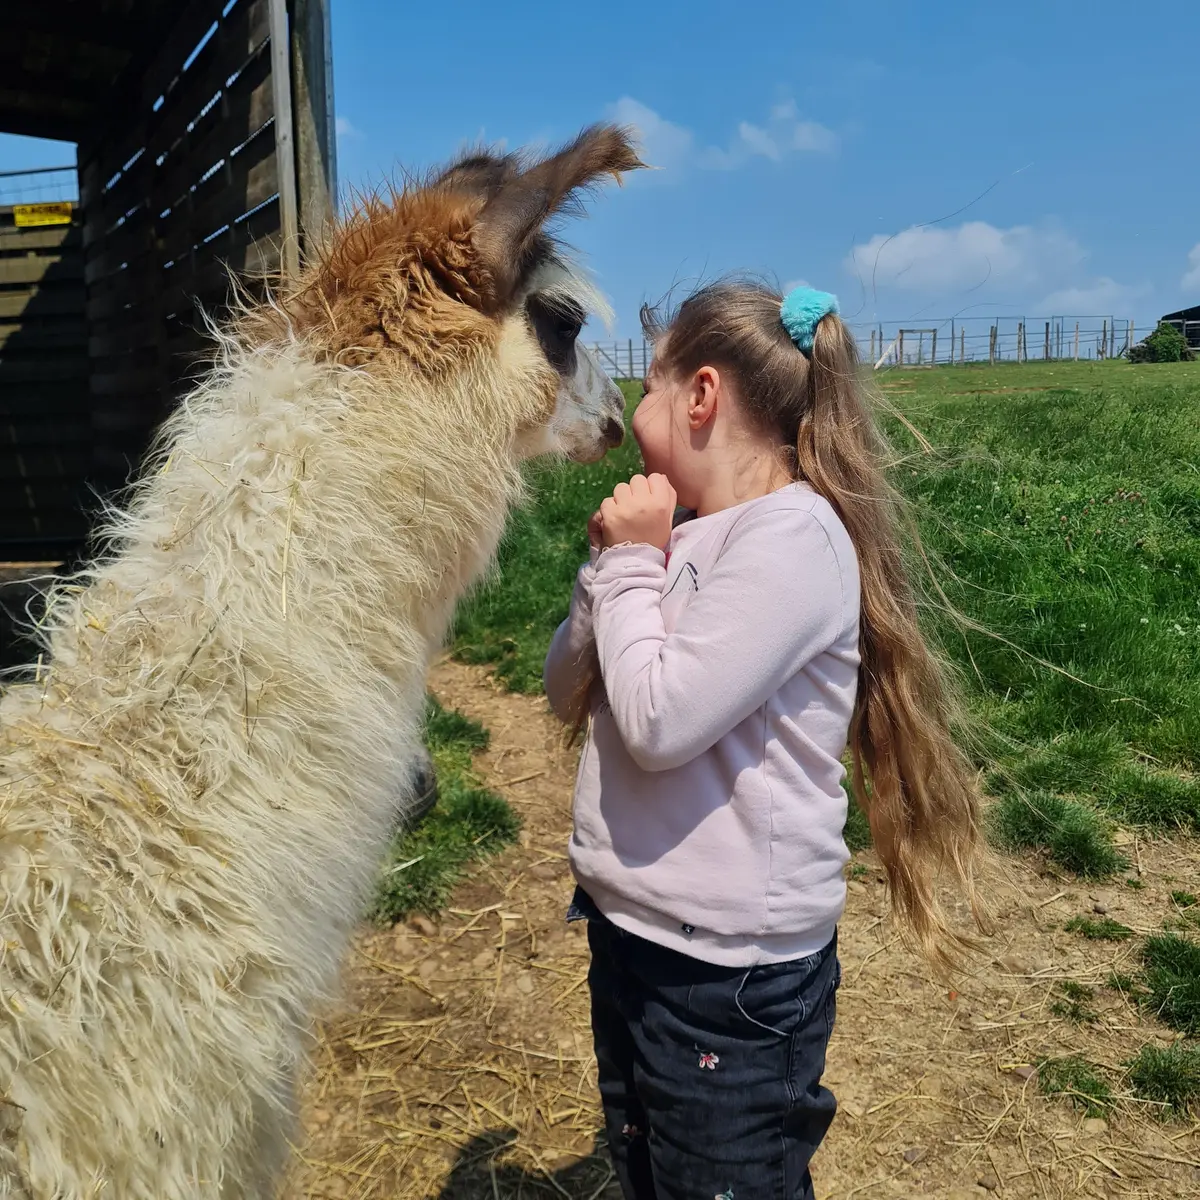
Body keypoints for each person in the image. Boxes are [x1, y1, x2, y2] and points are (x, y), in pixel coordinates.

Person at [542, 279, 987, 1200]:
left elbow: (661, 722)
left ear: (701, 396)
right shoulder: (687, 537)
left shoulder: (793, 541)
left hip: (731, 977)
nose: (634, 412)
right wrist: (606, 576)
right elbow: (565, 692)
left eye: (650, 388)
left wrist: (630, 564)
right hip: (633, 933)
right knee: (652, 1171)